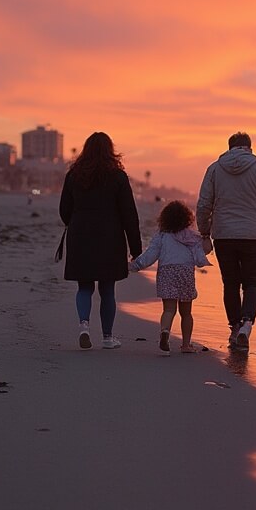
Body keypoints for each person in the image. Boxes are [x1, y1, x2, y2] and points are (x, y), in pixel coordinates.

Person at [197, 131, 256, 350]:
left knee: (230, 283)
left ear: (229, 147)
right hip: (252, 236)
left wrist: (204, 234)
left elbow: (203, 205)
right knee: (251, 283)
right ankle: (247, 324)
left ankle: (235, 328)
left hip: (224, 236)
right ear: (250, 148)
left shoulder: (215, 169)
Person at [59, 132, 142, 349]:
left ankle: (84, 326)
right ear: (110, 150)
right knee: (107, 289)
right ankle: (107, 337)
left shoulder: (74, 175)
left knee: (84, 286)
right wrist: (136, 248)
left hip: (80, 236)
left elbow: (64, 210)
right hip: (110, 237)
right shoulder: (117, 176)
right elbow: (129, 215)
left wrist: (76, 221)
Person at [128, 200, 212, 356]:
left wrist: (135, 265)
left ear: (164, 218)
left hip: (167, 272)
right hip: (185, 273)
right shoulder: (191, 236)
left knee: (169, 309)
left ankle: (165, 331)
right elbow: (200, 257)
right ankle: (186, 345)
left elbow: (150, 255)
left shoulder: (161, 236)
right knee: (186, 313)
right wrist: (206, 251)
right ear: (187, 219)